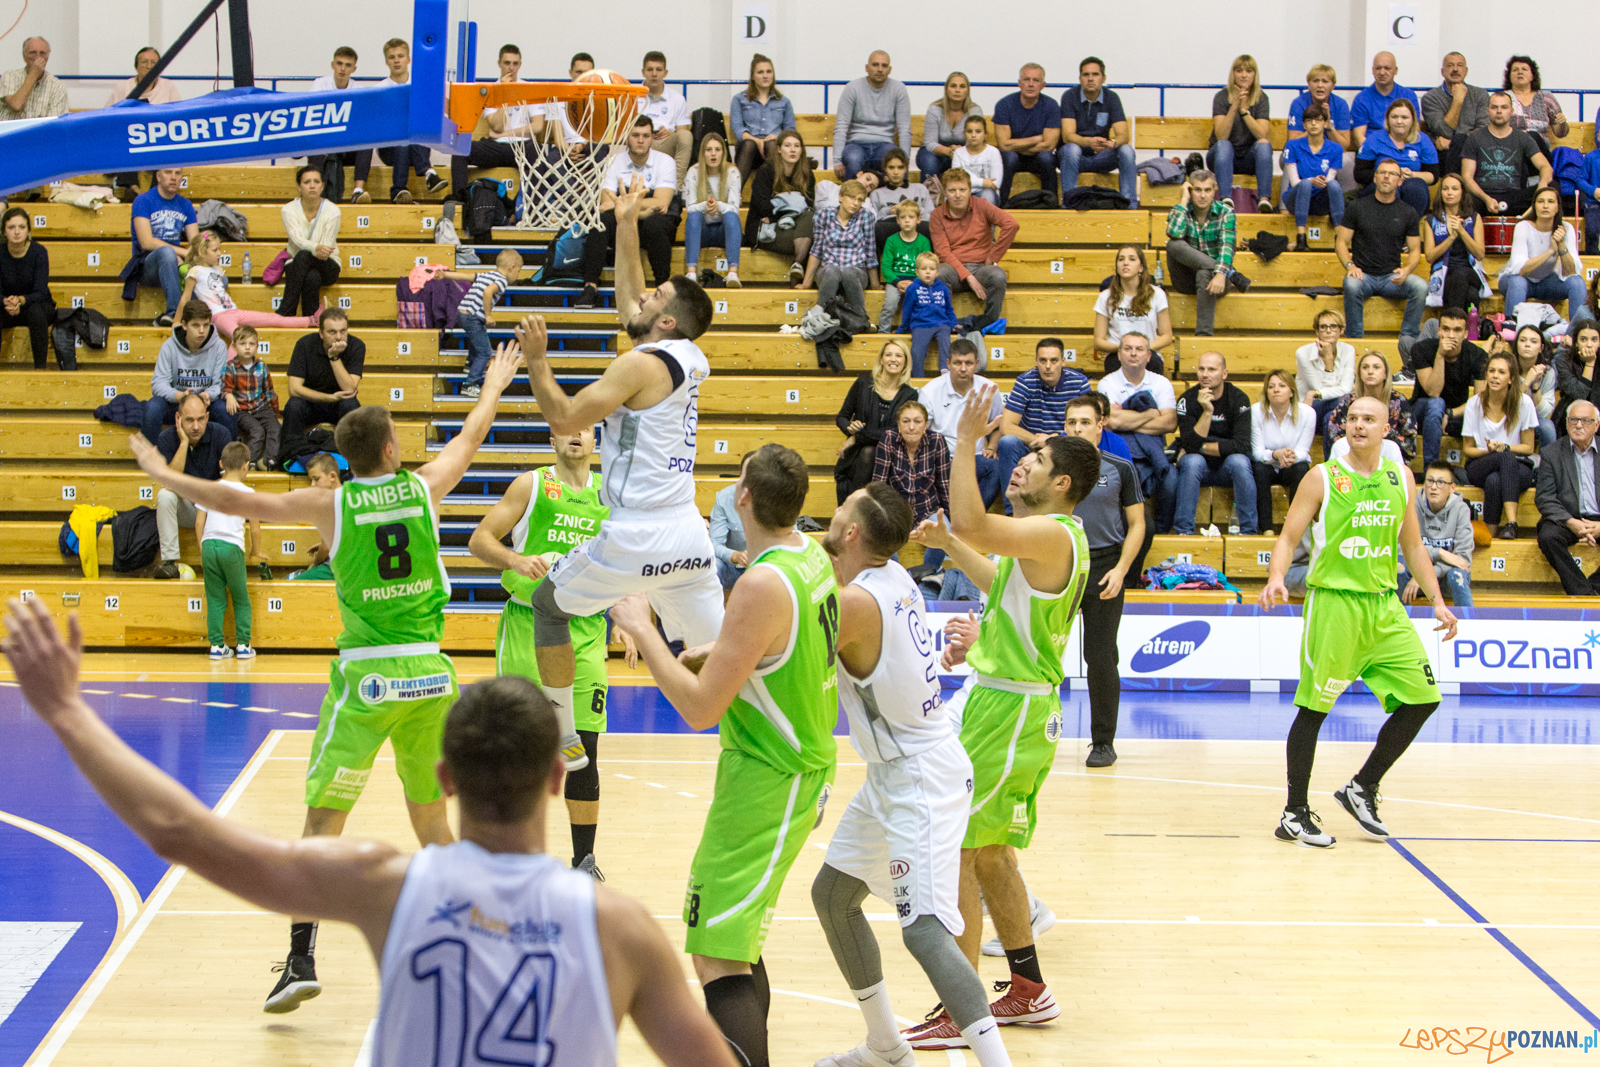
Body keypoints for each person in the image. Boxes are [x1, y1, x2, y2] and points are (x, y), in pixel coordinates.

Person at [0, 600, 737, 1067]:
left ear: (444, 776)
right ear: (555, 776)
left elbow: (176, 829)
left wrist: (65, 709)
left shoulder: (385, 885)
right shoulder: (623, 928)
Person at [131, 338, 527, 1010]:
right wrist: (493, 382)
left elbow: (243, 503)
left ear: (347, 458)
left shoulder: (333, 505)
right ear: (393, 450)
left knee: (323, 823)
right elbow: (473, 432)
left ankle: (299, 958)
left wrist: (168, 476)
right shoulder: (425, 485)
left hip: (368, 680)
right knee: (432, 820)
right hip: (432, 677)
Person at [608, 445, 835, 1067]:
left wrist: (643, 631)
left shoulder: (761, 581)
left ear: (743, 499)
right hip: (793, 762)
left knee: (715, 950)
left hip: (771, 774)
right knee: (736, 942)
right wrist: (723, 647)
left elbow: (701, 711)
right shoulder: (807, 556)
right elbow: (783, 642)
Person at [896, 389, 1097, 1048]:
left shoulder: (1052, 530)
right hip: (1013, 704)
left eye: (1034, 457)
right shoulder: (1045, 542)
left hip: (1007, 709)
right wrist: (952, 547)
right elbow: (998, 579)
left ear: (1061, 482)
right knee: (991, 855)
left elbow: (978, 523)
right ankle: (1030, 987)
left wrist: (962, 441)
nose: (1020, 461)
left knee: (958, 847)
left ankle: (961, 1005)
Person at [511, 178, 722, 779]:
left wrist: (537, 359)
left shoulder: (637, 364)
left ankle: (560, 728)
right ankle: (786, 749)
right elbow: (634, 313)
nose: (642, 300)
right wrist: (625, 224)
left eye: (656, 296)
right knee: (728, 657)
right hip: (688, 533)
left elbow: (563, 418)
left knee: (549, 606)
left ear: (668, 320)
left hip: (634, 534)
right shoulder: (688, 354)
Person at [812, 483, 1012, 1067]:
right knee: (833, 897)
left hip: (921, 777)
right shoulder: (892, 575)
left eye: (842, 506)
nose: (834, 510)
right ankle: (885, 1046)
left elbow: (791, 648)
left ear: (851, 532)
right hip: (893, 772)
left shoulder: (855, 602)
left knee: (923, 932)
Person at [1260, 394, 1457, 848]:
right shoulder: (1322, 477)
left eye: (1369, 419)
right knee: (1314, 708)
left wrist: (1438, 600)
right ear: (1342, 427)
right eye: (1352, 419)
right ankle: (1294, 812)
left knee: (1424, 699)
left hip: (1384, 606)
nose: (1359, 426)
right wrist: (1275, 577)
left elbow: (1413, 547)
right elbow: (1289, 536)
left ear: (1387, 429)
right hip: (1335, 604)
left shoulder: (1400, 477)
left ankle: (1362, 786)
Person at [468, 427, 638, 878]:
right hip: (528, 626)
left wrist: (627, 618)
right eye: (565, 428)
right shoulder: (531, 485)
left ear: (596, 440)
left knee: (585, 748)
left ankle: (584, 860)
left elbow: (626, 562)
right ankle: (505, 854)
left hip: (584, 631)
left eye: (583, 428)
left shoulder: (611, 494)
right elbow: (479, 539)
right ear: (553, 439)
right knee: (517, 748)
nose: (574, 435)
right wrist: (515, 559)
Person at [1062, 394, 1144, 767]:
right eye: (1071, 423)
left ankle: (1103, 742)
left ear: (1100, 426)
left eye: (1084, 422)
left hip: (1105, 566)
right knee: (1042, 654)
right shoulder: (1049, 467)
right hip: (1060, 565)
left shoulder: (1120, 468)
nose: (1077, 429)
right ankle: (1032, 732)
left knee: (1100, 655)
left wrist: (1122, 569)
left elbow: (1138, 524)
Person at [578, 117, 679, 305]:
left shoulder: (666, 162)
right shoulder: (613, 161)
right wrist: (642, 209)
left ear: (652, 138)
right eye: (636, 135)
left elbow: (661, 202)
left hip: (651, 222)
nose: (641, 140)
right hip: (624, 220)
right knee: (600, 221)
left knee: (655, 223)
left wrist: (625, 204)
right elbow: (605, 203)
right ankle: (590, 286)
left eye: (646, 136)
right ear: (626, 137)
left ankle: (662, 287)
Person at [1337, 159, 1426, 343]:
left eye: (1392, 174)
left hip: (1391, 278)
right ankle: (1355, 339)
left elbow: (1416, 250)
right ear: (1375, 178)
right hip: (1363, 277)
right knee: (1351, 284)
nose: (1387, 177)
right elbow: (1341, 242)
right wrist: (1349, 265)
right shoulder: (1357, 207)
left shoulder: (1408, 212)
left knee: (1421, 287)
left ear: (1400, 181)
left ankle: (1408, 338)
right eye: (1382, 172)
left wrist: (1407, 270)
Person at [1100, 332, 1178, 532]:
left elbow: (1169, 423)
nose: (1133, 354)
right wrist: (1152, 413)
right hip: (1118, 453)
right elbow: (1112, 421)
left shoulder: (1161, 383)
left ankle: (1162, 532)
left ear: (1149, 356)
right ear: (1119, 354)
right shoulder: (1107, 383)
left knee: (1170, 480)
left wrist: (1127, 417)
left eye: (1139, 349)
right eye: (1128, 348)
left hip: (1155, 455)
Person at [151, 393, 234, 580]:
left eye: (200, 419)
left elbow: (230, 482)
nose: (196, 427)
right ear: (178, 419)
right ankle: (170, 563)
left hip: (214, 510)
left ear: (207, 417)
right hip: (188, 509)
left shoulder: (222, 435)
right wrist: (184, 443)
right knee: (165, 495)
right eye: (189, 420)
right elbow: (168, 482)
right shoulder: (166, 438)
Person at [1174, 352, 1257, 535]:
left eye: (1212, 369)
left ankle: (1249, 532)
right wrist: (1207, 411)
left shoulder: (1238, 398)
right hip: (1198, 470)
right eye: (1201, 369)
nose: (1205, 374)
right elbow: (1189, 444)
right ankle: (1184, 532)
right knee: (1192, 461)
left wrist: (1202, 446)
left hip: (1228, 468)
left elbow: (1242, 445)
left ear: (1224, 374)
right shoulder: (1187, 399)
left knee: (1240, 462)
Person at [180, 231, 318, 342]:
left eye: (220, 249)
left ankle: (312, 320)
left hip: (233, 311)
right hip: (218, 315)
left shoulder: (218, 270)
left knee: (274, 318)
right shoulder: (195, 271)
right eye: (215, 250)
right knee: (240, 338)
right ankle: (227, 374)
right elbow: (185, 298)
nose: (219, 253)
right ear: (202, 253)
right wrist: (176, 323)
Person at [997, 338, 1090, 496]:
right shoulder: (1025, 381)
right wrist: (1038, 440)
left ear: (1063, 361)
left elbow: (1088, 425)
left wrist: (1052, 441)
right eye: (1043, 360)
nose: (1048, 366)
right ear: (1035, 362)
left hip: (1066, 447)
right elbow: (1006, 426)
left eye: (1054, 360)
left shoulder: (1079, 382)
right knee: (1007, 442)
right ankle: (1012, 511)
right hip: (1031, 447)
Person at [930, 169, 1018, 332]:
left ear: (970, 190)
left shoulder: (981, 205)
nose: (958, 195)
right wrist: (968, 277)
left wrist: (993, 257)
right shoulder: (936, 215)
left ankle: (988, 322)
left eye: (962, 190)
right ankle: (946, 323)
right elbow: (943, 253)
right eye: (952, 190)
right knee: (940, 272)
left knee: (998, 275)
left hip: (981, 268)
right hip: (953, 269)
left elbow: (1011, 224)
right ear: (945, 192)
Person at [1164, 170, 1250, 337]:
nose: (1202, 195)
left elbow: (1227, 246)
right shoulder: (1181, 210)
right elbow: (1173, 232)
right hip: (1185, 279)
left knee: (1205, 273)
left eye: (1207, 190)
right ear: (1190, 191)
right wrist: (1183, 200)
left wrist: (1220, 274)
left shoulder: (1226, 212)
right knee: (1173, 245)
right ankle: (1232, 274)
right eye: (1197, 190)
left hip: (1216, 281)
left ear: (1214, 191)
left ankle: (1204, 336)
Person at [1462, 352, 1539, 538]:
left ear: (1511, 378)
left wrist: (1504, 447)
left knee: (1495, 480)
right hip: (1481, 463)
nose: (1495, 376)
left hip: (1517, 466)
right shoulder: (1474, 404)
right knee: (1502, 457)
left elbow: (1529, 448)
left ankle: (1491, 535)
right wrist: (1488, 450)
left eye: (1501, 372)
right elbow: (1467, 449)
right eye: (1492, 371)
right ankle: (1512, 523)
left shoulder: (1524, 403)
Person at [921, 339, 1005, 507]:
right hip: (943, 458)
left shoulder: (989, 389)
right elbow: (923, 433)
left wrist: (992, 447)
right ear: (948, 364)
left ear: (977, 364)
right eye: (958, 363)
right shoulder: (929, 391)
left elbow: (997, 426)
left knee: (996, 469)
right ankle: (954, 518)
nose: (963, 368)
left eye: (968, 363)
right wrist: (938, 455)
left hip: (976, 457)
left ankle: (975, 516)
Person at [446, 44, 536, 199]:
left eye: (515, 64)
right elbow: (497, 125)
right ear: (499, 64)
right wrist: (505, 94)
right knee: (460, 151)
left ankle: (532, 204)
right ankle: (461, 201)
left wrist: (504, 133)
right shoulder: (490, 91)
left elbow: (538, 126)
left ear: (520, 65)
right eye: (507, 63)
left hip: (522, 147)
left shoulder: (529, 89)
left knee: (537, 151)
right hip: (497, 146)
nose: (511, 68)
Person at [872, 400, 951, 574]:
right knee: (880, 532)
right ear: (899, 425)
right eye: (906, 421)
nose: (912, 427)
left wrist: (951, 518)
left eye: (917, 421)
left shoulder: (936, 441)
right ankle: (897, 575)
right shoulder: (889, 439)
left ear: (925, 425)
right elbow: (879, 483)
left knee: (946, 530)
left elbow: (944, 484)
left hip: (928, 509)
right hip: (898, 511)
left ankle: (927, 574)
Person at [197, 441, 260, 660]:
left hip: (209, 544)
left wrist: (202, 546)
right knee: (240, 597)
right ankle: (243, 645)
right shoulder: (248, 492)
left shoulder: (211, 488)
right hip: (232, 547)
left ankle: (216, 646)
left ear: (221, 463)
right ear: (246, 465)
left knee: (215, 598)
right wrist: (256, 551)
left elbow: (199, 522)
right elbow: (254, 526)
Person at [278, 310, 365, 467]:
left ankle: (355, 463)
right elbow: (294, 389)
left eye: (342, 331)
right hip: (310, 402)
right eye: (332, 332)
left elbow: (350, 388)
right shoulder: (304, 344)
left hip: (340, 404)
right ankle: (289, 458)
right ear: (321, 333)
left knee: (352, 406)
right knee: (294, 405)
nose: (338, 337)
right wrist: (328, 398)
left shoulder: (357, 346)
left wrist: (334, 357)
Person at [836, 340, 919, 503]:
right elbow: (842, 417)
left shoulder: (910, 395)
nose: (893, 359)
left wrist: (856, 438)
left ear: (905, 362)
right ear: (881, 359)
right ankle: (857, 510)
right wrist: (849, 428)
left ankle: (856, 508)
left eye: (898, 355)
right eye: (888, 355)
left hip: (891, 455)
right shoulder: (863, 384)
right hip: (857, 456)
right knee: (867, 453)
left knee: (870, 452)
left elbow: (895, 432)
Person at [1407, 305, 1487, 465]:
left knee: (1483, 419)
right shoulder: (1421, 349)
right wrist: (1440, 355)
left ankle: (1472, 469)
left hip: (1456, 415)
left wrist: (1449, 414)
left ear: (1465, 334)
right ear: (1439, 331)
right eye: (1446, 329)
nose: (1451, 335)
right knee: (1437, 404)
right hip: (1422, 411)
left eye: (1457, 330)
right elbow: (1433, 391)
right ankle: (1431, 468)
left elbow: (1481, 399)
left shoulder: (1477, 355)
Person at [1500, 186, 1590, 327]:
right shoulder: (1523, 227)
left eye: (1550, 202)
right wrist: (1549, 251)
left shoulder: (1565, 229)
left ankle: (1578, 332)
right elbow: (1520, 269)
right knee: (1518, 282)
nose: (1545, 206)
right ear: (1534, 206)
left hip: (1547, 281)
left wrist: (1561, 246)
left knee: (1577, 282)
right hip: (1515, 281)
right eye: (1541, 201)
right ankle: (1511, 331)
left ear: (1557, 207)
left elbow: (1572, 272)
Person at [1534, 400, 1600, 594]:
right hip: (1567, 519)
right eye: (1574, 420)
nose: (1579, 425)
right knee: (1548, 537)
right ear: (1567, 423)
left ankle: (1594, 586)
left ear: (1597, 425)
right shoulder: (1551, 453)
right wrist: (1571, 522)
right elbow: (1545, 497)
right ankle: (1583, 593)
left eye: (1585, 421)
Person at [144, 299, 232, 443]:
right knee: (153, 407)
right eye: (196, 325)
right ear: (184, 325)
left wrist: (208, 394)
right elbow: (158, 383)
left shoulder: (219, 346)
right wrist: (179, 396)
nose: (202, 331)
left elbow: (220, 383)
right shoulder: (169, 346)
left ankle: (230, 462)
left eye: (205, 325)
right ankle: (151, 462)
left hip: (206, 402)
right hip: (178, 403)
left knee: (225, 409)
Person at [373, 39, 448, 202]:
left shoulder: (420, 85)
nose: (396, 60)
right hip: (389, 147)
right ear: (387, 61)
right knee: (403, 139)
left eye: (400, 56)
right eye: (392, 57)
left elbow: (433, 115)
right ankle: (429, 173)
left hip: (418, 144)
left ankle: (399, 190)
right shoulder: (380, 89)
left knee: (412, 134)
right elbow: (379, 124)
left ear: (408, 59)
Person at [800, 178, 876, 335]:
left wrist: (875, 284)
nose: (855, 203)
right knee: (832, 270)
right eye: (851, 197)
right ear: (840, 197)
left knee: (849, 271)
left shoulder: (866, 217)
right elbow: (817, 250)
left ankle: (861, 317)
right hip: (829, 270)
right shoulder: (824, 215)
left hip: (856, 271)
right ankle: (819, 313)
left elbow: (870, 251)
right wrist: (806, 282)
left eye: (860, 200)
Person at [123, 167, 198, 328]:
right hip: (147, 267)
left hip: (174, 265)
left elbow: (196, 244)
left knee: (218, 278)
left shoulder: (185, 204)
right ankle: (174, 313)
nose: (173, 177)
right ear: (158, 176)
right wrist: (182, 252)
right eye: (168, 172)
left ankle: (204, 318)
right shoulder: (143, 200)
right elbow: (147, 242)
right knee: (166, 252)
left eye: (178, 173)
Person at [442, 248, 523, 397]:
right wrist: (488, 315)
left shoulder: (488, 274)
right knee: (485, 353)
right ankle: (470, 384)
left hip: (462, 313)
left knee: (479, 338)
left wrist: (445, 274)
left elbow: (465, 276)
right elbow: (488, 292)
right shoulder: (501, 280)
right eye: (518, 271)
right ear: (511, 267)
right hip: (473, 316)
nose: (518, 275)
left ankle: (470, 364)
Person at [103, 47, 182, 198]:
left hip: (159, 138)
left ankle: (153, 193)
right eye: (144, 62)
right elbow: (108, 116)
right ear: (136, 66)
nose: (148, 66)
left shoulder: (169, 87)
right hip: (131, 137)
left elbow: (178, 116)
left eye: (153, 62)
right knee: (121, 142)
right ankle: (132, 187)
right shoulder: (123, 87)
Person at [1058, 56, 1137, 208]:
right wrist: (1089, 142)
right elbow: (1068, 136)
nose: (1090, 79)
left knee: (1126, 150)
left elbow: (1123, 136)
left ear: (1103, 78)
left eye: (1095, 74)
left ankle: (1129, 204)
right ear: (1080, 78)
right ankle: (1069, 203)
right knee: (1071, 149)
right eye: (1086, 75)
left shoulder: (1112, 98)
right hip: (1075, 157)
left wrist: (1112, 143)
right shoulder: (1069, 96)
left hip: (1102, 156)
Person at [1460, 92, 1552, 219]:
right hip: (1481, 196)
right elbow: (1466, 177)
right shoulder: (1474, 138)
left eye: (1504, 107)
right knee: (1461, 196)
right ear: (1487, 111)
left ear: (1511, 111)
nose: (1499, 111)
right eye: (1494, 107)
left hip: (1514, 196)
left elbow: (1545, 167)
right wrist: (1486, 199)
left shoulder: (1523, 138)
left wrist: (1541, 187)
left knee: (1553, 187)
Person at [1400, 461, 1476, 607]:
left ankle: (1469, 624)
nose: (1434, 487)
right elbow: (1401, 547)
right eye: (1430, 481)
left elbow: (1462, 559)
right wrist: (1440, 553)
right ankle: (1396, 623)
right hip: (1415, 573)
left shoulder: (1461, 510)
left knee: (1458, 575)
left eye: (1441, 482)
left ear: (1452, 487)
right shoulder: (1412, 505)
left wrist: (1425, 575)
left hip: (1444, 576)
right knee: (1400, 566)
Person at [1251, 370, 1315, 536]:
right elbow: (1257, 452)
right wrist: (1275, 454)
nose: (1276, 390)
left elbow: (1303, 451)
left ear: (1291, 391)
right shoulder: (1256, 411)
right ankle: (1267, 529)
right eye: (1271, 387)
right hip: (1267, 464)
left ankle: (1296, 529)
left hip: (1292, 465)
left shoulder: (1307, 413)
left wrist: (1288, 456)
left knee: (1301, 469)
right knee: (1258, 469)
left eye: (1281, 386)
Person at [747, 128, 815, 283]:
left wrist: (779, 208)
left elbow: (810, 206)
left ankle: (797, 266)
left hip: (794, 227)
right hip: (765, 230)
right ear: (778, 149)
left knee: (810, 218)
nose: (792, 150)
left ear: (801, 150)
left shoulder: (807, 174)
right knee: (808, 239)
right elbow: (762, 206)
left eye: (797, 146)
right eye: (787, 145)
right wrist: (790, 211)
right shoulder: (766, 171)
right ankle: (797, 277)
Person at [1208, 55, 1275, 211]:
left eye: (1248, 71)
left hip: (1248, 159)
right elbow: (1221, 136)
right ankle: (1226, 198)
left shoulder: (1261, 98)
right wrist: (1234, 106)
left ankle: (1264, 199)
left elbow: (1262, 135)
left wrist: (1244, 111)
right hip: (1220, 157)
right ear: (1233, 74)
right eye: (1239, 71)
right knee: (1224, 145)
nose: (1244, 75)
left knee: (1264, 145)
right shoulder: (1221, 97)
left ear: (1254, 75)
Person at [308, 46, 374, 203]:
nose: (343, 69)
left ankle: (357, 191)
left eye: (348, 65)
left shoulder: (359, 90)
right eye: (339, 63)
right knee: (314, 144)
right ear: (333, 65)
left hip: (346, 147)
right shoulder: (320, 84)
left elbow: (359, 125)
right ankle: (316, 194)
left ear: (354, 69)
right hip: (325, 143)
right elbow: (312, 119)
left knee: (367, 141)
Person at [1328, 350, 1416, 466]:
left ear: (1385, 374)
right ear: (1359, 373)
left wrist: (1375, 448)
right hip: (1352, 460)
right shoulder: (1348, 401)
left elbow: (1409, 438)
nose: (1370, 372)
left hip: (1387, 461)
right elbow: (1336, 434)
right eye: (1365, 367)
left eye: (1376, 367)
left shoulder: (1399, 401)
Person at [1093, 244, 1172, 372]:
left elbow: (1167, 336)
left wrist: (1142, 349)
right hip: (1117, 357)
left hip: (1149, 356)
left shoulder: (1157, 294)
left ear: (1141, 268)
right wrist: (1125, 349)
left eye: (1132, 259)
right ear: (1116, 267)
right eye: (1121, 259)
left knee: (1153, 363)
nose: (1125, 263)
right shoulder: (1105, 297)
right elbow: (1098, 341)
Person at [834, 50, 913, 179]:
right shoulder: (852, 88)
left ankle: (896, 198)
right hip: (856, 144)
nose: (880, 69)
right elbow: (841, 125)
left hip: (885, 144)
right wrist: (837, 160)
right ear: (867, 68)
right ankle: (853, 197)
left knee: (896, 162)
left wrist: (905, 159)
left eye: (884, 65)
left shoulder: (899, 89)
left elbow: (905, 128)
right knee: (853, 159)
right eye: (875, 65)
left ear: (890, 69)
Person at [1355, 99, 1438, 216]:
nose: (1399, 121)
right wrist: (1390, 175)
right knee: (1391, 188)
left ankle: (1411, 228)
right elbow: (1359, 174)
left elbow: (1433, 175)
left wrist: (1411, 174)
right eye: (1394, 117)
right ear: (1388, 119)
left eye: (1404, 117)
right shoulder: (1374, 139)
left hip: (1412, 184)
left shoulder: (1423, 140)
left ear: (1413, 120)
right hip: (1380, 185)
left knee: (1414, 188)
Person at [1281, 103, 1346, 252]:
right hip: (1296, 198)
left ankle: (1340, 238)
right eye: (1309, 120)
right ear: (1304, 124)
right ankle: (1301, 239)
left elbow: (1330, 179)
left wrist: (1320, 182)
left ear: (1325, 123)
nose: (1314, 124)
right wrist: (1311, 180)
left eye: (1318, 120)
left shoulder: (1335, 148)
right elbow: (1294, 181)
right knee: (1305, 184)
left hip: (1320, 200)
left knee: (1335, 186)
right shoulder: (1292, 145)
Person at [1422, 172, 1490, 315]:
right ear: (1440, 193)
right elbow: (1429, 256)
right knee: (1471, 295)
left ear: (1462, 192)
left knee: (1459, 275)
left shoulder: (1474, 218)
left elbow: (1480, 254)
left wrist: (1461, 231)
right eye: (1445, 189)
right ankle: (1468, 330)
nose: (1449, 193)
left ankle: (1451, 322)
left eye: (1454, 189)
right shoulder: (1431, 220)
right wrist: (1451, 238)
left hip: (1470, 271)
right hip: (1443, 273)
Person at [993, 64, 1061, 205]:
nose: (1031, 84)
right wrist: (1036, 138)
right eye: (1026, 79)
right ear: (1019, 83)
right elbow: (1004, 145)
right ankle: (1001, 205)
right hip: (1013, 158)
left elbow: (1048, 145)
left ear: (1043, 85)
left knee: (1047, 158)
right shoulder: (1004, 105)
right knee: (1009, 157)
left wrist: (1015, 144)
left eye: (1036, 80)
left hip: (1038, 158)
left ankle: (1051, 204)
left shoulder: (1051, 106)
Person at [683, 132, 742, 287]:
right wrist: (705, 206)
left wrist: (718, 206)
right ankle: (691, 272)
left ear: (724, 152)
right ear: (703, 153)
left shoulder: (732, 172)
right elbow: (690, 208)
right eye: (709, 150)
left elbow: (734, 208)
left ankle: (732, 273)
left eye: (717, 149)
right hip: (701, 231)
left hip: (723, 231)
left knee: (731, 217)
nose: (713, 154)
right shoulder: (694, 172)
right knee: (694, 216)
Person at [0, 207, 55, 369]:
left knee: (36, 311)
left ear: (28, 230)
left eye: (22, 227)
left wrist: (21, 300)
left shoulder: (39, 252)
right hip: (6, 306)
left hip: (35, 305)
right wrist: (7, 301)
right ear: (4, 231)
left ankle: (40, 369)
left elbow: (41, 291)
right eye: (11, 227)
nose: (17, 232)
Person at [1296, 308, 1356, 454]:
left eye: (1333, 326)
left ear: (1341, 330)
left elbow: (1346, 387)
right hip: (1309, 411)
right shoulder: (1303, 353)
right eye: (1323, 327)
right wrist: (1329, 360)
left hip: (1333, 412)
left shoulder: (1348, 350)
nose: (1328, 331)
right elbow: (1320, 387)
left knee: (1332, 416)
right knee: (1340, 403)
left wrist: (1314, 393)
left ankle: (1330, 464)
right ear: (1317, 332)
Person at [220, 326, 281, 470]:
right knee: (257, 431)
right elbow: (224, 388)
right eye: (242, 344)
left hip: (261, 408)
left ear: (257, 346)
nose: (247, 348)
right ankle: (250, 462)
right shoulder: (230, 367)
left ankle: (268, 461)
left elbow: (270, 393)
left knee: (275, 428)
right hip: (241, 411)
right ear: (234, 346)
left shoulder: (262, 367)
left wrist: (275, 414)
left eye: (251, 344)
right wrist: (228, 395)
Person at [730, 54, 795, 182]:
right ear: (753, 76)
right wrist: (757, 140)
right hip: (748, 152)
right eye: (760, 72)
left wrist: (777, 138)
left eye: (768, 72)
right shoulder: (739, 99)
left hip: (774, 151)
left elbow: (791, 131)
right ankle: (734, 196)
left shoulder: (784, 102)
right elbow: (738, 129)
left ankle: (773, 195)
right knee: (749, 144)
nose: (765, 76)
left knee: (771, 145)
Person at [1420, 52, 1490, 170]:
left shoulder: (1480, 95)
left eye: (1460, 65)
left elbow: (1483, 130)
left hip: (1475, 151)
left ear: (1466, 71)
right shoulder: (1430, 98)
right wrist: (1457, 100)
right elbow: (1444, 131)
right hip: (1444, 155)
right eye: (1450, 65)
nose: (1455, 69)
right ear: (1442, 72)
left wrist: (1453, 143)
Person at [637, 51, 692, 186]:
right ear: (643, 72)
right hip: (640, 141)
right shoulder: (632, 95)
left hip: (665, 143)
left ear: (665, 73)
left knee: (685, 136)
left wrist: (670, 133)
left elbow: (682, 131)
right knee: (632, 136)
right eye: (650, 70)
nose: (654, 74)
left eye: (658, 70)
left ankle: (676, 189)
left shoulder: (677, 99)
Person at [900, 252, 958, 375]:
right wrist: (903, 328)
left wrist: (954, 324)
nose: (927, 272)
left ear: (937, 272)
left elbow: (949, 309)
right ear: (917, 272)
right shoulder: (913, 288)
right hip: (921, 325)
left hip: (942, 324)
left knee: (945, 341)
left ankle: (944, 369)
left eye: (931, 269)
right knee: (916, 351)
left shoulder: (943, 288)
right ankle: (918, 376)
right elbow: (907, 309)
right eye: (923, 269)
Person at [880, 200, 932, 333]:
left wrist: (915, 282)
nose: (907, 221)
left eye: (911, 217)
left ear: (919, 219)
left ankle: (917, 330)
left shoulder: (924, 241)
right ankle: (883, 332)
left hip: (917, 281)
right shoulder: (891, 240)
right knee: (890, 304)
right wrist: (897, 282)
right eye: (903, 217)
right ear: (897, 220)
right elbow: (886, 267)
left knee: (921, 302)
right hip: (895, 280)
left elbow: (926, 265)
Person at [867, 148, 935, 250]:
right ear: (885, 169)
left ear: (905, 169)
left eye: (900, 167)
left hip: (918, 228)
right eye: (891, 167)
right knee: (878, 228)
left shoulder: (920, 188)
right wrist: (889, 211)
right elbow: (873, 221)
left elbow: (932, 217)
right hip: (889, 229)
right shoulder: (877, 193)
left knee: (930, 227)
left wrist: (913, 210)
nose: (895, 172)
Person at [1351, 51, 1421, 149]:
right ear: (1372, 70)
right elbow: (1359, 137)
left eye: (1387, 68)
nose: (1382, 72)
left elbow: (1415, 131)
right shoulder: (1361, 98)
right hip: (1373, 153)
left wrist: (1399, 153)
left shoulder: (1409, 96)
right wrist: (1377, 153)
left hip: (1403, 151)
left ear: (1396, 70)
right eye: (1378, 68)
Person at [288, 453, 342, 581]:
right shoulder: (348, 496)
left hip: (339, 567)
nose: (312, 484)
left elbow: (327, 547)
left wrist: (315, 564)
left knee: (292, 586)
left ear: (332, 476)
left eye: (316, 479)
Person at [921, 72, 983, 179]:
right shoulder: (934, 109)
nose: (957, 90)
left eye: (962, 86)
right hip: (935, 153)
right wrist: (949, 151)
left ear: (967, 90)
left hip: (965, 153)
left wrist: (960, 151)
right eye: (953, 86)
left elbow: (976, 141)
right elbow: (930, 143)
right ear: (946, 89)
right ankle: (929, 195)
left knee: (971, 162)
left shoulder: (974, 111)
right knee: (930, 163)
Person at [1503, 55, 1568, 149]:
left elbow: (1560, 133)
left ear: (1532, 76)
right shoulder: (1502, 99)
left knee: (1532, 136)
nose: (1520, 72)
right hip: (1510, 150)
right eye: (1515, 70)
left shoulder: (1547, 98)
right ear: (1509, 76)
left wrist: (1562, 123)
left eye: (1524, 69)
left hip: (1540, 153)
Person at [1508, 326, 1558, 446]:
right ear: (1516, 344)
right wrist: (1526, 383)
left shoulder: (1547, 372)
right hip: (1508, 418)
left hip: (1533, 420)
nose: (1527, 345)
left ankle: (1548, 464)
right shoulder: (1507, 368)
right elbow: (1511, 408)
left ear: (1541, 347)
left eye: (1533, 341)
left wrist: (1535, 383)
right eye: (1523, 340)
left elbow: (1544, 414)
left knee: (1547, 427)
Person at [1287, 64, 1353, 150]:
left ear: (1332, 86)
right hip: (1304, 152)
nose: (1320, 85)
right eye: (1315, 81)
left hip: (1331, 153)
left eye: (1325, 81)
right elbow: (1292, 143)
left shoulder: (1341, 105)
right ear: (1309, 85)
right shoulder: (1298, 103)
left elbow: (1344, 146)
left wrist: (1329, 126)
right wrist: (1317, 127)